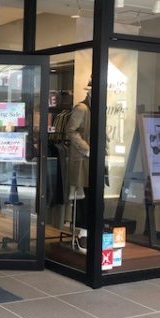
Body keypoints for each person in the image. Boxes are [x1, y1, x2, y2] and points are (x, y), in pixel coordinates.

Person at [66, 78, 91, 253]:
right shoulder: (82, 108)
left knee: (93, 197)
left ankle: (88, 232)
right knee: (83, 197)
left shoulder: (98, 108)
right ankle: (82, 233)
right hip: (83, 159)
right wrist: (86, 149)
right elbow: (70, 130)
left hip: (95, 159)